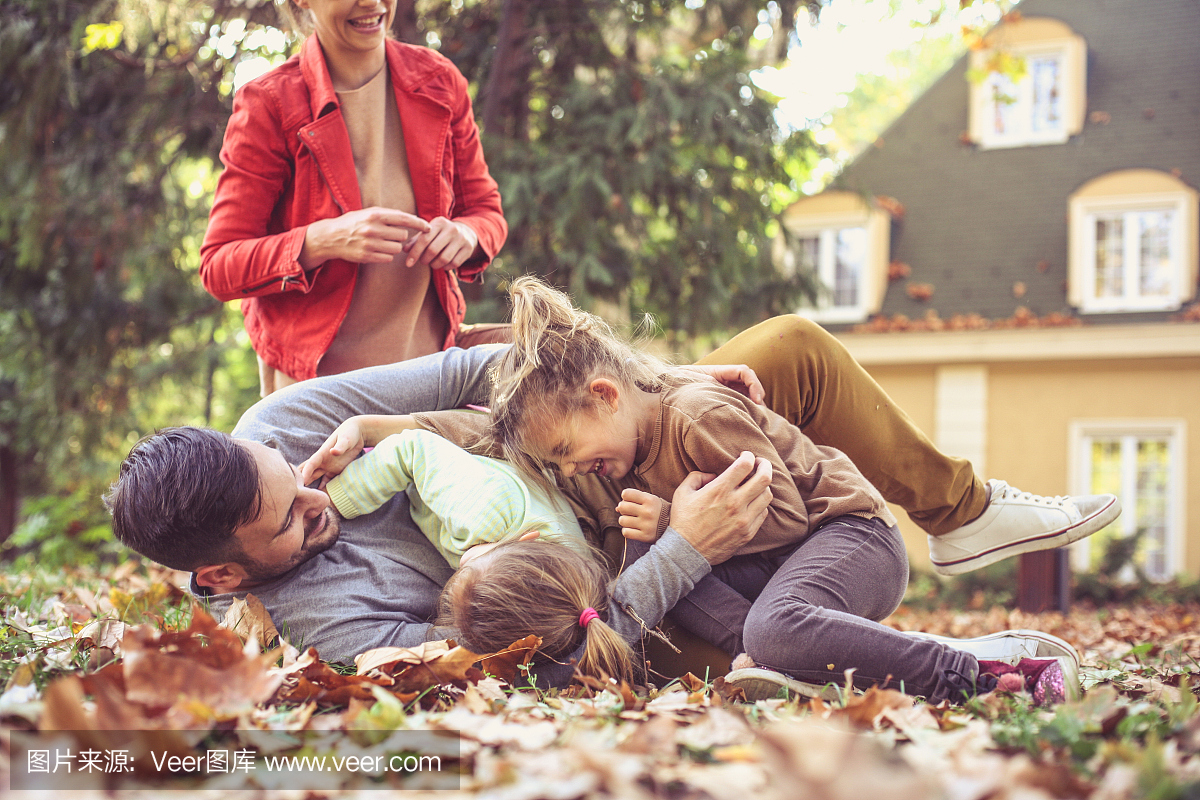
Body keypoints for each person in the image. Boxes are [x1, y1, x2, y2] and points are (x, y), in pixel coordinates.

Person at [106, 315, 1116, 691]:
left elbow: (486, 364)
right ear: (222, 574)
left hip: (590, 460)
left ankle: (961, 510)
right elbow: (537, 656)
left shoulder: (281, 420)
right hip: (618, 583)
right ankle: (972, 665)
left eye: (299, 480)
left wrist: (661, 378)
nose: (316, 499)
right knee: (731, 639)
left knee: (786, 352)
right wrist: (679, 546)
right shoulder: (327, 622)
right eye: (291, 520)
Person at [199, 0, 508, 397]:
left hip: (431, 380)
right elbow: (219, 264)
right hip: (315, 396)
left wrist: (467, 235)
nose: (372, 3)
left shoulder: (440, 81)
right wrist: (322, 240)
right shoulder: (269, 103)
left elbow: (486, 211)